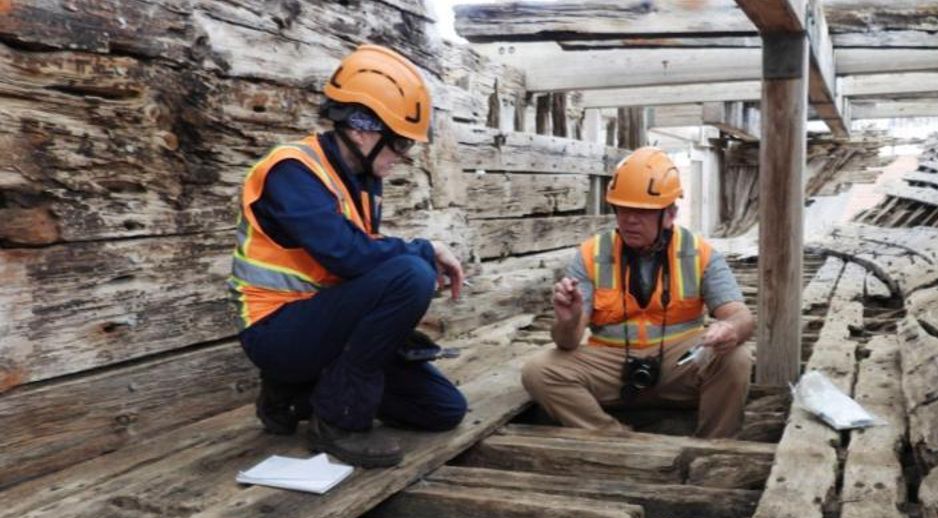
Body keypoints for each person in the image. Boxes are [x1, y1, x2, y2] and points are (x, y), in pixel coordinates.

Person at [228, 44, 467, 467]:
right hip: (278, 332)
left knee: (443, 410)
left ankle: (299, 392)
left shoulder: (360, 178)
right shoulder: (292, 170)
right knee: (411, 274)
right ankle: (337, 419)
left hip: (327, 329)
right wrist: (425, 250)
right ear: (363, 130)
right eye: (399, 145)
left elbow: (362, 262)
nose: (402, 158)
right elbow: (349, 256)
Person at [521, 146, 754, 438]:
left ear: (670, 214)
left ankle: (713, 445)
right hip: (612, 363)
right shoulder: (592, 253)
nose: (630, 220)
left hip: (679, 364)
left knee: (737, 356)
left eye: (642, 212)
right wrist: (569, 319)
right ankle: (615, 437)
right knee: (538, 370)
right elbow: (566, 343)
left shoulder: (699, 253)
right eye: (623, 209)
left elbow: (741, 316)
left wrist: (730, 329)